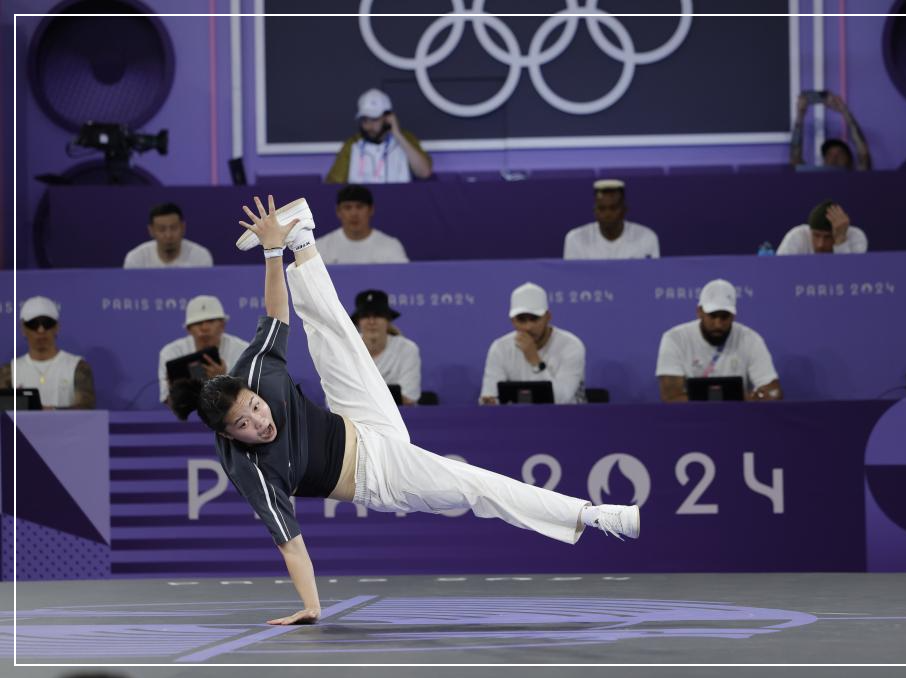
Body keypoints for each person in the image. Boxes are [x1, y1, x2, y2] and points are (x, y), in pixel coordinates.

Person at [170, 196, 638, 626]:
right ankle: (593, 516)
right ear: (228, 435)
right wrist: (311, 606)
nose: (260, 421)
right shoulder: (247, 467)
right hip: (380, 475)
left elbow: (277, 313)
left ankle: (302, 238)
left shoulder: (254, 372)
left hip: (357, 417)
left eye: (255, 407)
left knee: (336, 338)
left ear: (251, 390)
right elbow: (289, 542)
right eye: (244, 424)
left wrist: (273, 251)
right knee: (477, 486)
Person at [656, 279, 782, 402]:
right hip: (690, 415)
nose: (718, 324)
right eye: (712, 315)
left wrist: (761, 396)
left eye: (724, 317)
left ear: (733, 316)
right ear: (699, 312)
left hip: (738, 414)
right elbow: (670, 398)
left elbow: (774, 392)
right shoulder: (675, 339)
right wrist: (734, 398)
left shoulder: (751, 339)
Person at [480, 282, 586, 405]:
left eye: (534, 319)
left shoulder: (571, 346)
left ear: (547, 317)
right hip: (515, 416)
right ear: (513, 321)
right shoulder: (500, 348)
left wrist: (535, 361)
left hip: (564, 416)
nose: (528, 327)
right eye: (521, 320)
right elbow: (490, 396)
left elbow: (561, 401)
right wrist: (491, 402)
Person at [3, 296, 95, 409]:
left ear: (57, 327)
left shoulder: (77, 367)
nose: (41, 330)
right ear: (23, 328)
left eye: (47, 323)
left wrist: (51, 412)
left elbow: (85, 408)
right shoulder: (9, 371)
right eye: (33, 324)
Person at [325, 88, 432, 184]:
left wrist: (398, 135)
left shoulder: (405, 138)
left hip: (399, 199)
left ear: (388, 117)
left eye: (374, 119)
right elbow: (332, 184)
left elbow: (424, 172)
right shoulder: (352, 143)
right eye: (365, 120)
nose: (368, 126)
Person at [157, 295, 248, 405]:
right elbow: (169, 401)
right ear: (188, 329)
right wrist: (175, 390)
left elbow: (251, 399)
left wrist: (224, 381)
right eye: (198, 323)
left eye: (210, 321)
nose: (204, 328)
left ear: (222, 325)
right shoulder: (171, 353)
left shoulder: (243, 350)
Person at [353, 289, 421, 405]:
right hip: (355, 416)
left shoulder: (407, 349)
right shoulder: (345, 349)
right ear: (358, 322)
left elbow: (409, 399)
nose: (372, 321)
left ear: (388, 320)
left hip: (400, 415)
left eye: (378, 315)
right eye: (365, 316)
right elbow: (334, 398)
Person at [563, 179, 660, 260]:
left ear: (624, 210)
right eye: (602, 209)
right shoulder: (575, 239)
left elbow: (651, 275)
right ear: (595, 211)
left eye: (613, 208)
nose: (607, 214)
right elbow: (572, 276)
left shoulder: (646, 238)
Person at [315, 185, 410, 264]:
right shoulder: (320, 248)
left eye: (359, 207)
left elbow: (403, 277)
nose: (354, 214)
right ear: (338, 211)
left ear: (371, 210)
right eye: (347, 208)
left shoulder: (391, 246)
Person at [789, 92, 871, 171]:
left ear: (849, 160)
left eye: (840, 154)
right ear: (824, 160)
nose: (834, 158)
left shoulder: (857, 177)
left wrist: (844, 111)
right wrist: (800, 115)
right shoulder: (814, 178)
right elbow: (795, 159)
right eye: (829, 154)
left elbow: (863, 153)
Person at [123, 203, 214, 269]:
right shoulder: (136, 258)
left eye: (174, 228)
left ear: (183, 228)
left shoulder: (200, 257)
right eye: (161, 229)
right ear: (151, 231)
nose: (168, 235)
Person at [776, 200, 868, 255]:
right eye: (816, 235)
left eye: (828, 237)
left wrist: (840, 240)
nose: (821, 245)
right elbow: (780, 270)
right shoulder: (797, 235)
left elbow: (851, 274)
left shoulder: (856, 236)